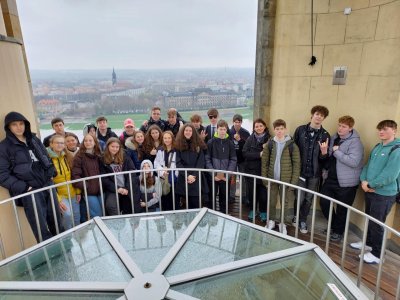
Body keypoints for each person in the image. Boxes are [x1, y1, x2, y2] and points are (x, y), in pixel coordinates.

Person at [0, 112, 63, 242]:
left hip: (47, 184)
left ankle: (64, 250)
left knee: (57, 222)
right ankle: (49, 256)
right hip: (30, 191)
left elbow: (46, 157)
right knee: (41, 229)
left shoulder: (33, 139)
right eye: (14, 124)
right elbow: (2, 174)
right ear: (8, 127)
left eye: (21, 123)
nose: (19, 127)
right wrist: (24, 188)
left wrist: (51, 174)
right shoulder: (4, 147)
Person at [351, 120, 400, 264]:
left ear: (394, 131)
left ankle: (378, 255)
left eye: (385, 129)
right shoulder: (378, 147)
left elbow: (390, 174)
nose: (381, 132)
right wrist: (363, 180)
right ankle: (368, 244)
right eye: (380, 129)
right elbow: (368, 165)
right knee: (370, 220)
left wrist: (371, 183)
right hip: (370, 190)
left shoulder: (396, 150)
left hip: (384, 194)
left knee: (377, 223)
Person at [320, 116, 364, 242]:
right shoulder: (334, 138)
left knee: (342, 209)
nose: (340, 128)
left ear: (350, 128)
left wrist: (337, 152)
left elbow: (354, 162)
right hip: (330, 179)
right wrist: (324, 152)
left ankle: (338, 232)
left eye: (343, 126)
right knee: (324, 202)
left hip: (347, 183)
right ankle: (334, 227)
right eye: (339, 125)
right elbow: (329, 156)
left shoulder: (356, 143)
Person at [293, 105, 330, 234]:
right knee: (300, 196)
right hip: (300, 171)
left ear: (323, 118)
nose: (319, 117)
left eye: (322, 115)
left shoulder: (325, 135)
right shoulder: (300, 130)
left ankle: (302, 220)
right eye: (317, 114)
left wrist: (324, 153)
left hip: (314, 174)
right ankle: (296, 216)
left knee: (309, 198)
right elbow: (294, 150)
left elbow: (324, 160)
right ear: (312, 115)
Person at [261, 119, 300, 234]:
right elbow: (265, 162)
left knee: (285, 203)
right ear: (274, 130)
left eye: (281, 129)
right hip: (272, 179)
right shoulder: (270, 144)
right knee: (271, 201)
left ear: (285, 129)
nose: (279, 131)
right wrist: (265, 179)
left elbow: (297, 164)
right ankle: (271, 221)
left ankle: (282, 223)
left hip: (286, 181)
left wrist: (293, 183)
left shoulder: (292, 145)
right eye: (277, 129)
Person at [47, 135, 81, 230]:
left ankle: (78, 238)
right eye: (57, 143)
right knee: (67, 215)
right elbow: (48, 181)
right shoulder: (47, 159)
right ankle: (68, 237)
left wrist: (78, 191)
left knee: (76, 215)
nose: (59, 145)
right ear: (51, 144)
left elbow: (74, 175)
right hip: (60, 195)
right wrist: (57, 199)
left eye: (62, 143)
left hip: (72, 192)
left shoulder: (67, 156)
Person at [100, 137, 140, 215]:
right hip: (113, 188)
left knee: (129, 206)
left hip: (126, 187)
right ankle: (117, 224)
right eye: (112, 146)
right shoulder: (102, 158)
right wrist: (117, 189)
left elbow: (131, 171)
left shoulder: (125, 155)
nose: (115, 149)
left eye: (117, 147)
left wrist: (127, 188)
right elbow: (104, 178)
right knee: (110, 205)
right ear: (108, 146)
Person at [205, 120, 237, 213]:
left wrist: (227, 174)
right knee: (212, 197)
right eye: (220, 129)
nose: (222, 131)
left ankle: (223, 214)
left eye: (224, 129)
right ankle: (212, 216)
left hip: (225, 177)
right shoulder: (211, 142)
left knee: (224, 198)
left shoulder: (230, 143)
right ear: (217, 130)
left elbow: (233, 159)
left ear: (226, 130)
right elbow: (207, 159)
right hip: (213, 177)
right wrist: (213, 174)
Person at [243, 118, 270, 222]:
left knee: (264, 194)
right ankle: (252, 210)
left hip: (264, 171)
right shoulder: (250, 139)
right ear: (254, 128)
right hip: (251, 170)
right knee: (252, 193)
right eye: (256, 126)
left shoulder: (270, 138)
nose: (259, 128)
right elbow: (244, 153)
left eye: (260, 126)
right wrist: (259, 154)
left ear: (264, 126)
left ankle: (263, 211)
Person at [175, 123, 208, 209]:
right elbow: (178, 163)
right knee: (184, 204)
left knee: (195, 203)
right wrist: (187, 175)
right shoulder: (178, 145)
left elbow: (201, 162)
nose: (188, 132)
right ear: (183, 132)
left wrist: (193, 176)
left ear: (193, 132)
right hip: (183, 177)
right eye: (186, 130)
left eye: (190, 131)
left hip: (195, 178)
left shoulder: (198, 144)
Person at [72, 134, 103, 218]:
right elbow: (75, 175)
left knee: (104, 212)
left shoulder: (99, 155)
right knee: (97, 215)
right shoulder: (79, 156)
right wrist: (86, 186)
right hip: (89, 192)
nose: (88, 142)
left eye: (90, 140)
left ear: (95, 142)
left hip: (101, 190)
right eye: (85, 140)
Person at [229, 114, 251, 204]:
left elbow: (247, 147)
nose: (237, 124)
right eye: (236, 122)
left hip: (242, 160)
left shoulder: (245, 133)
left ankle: (244, 196)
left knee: (243, 179)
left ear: (241, 122)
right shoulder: (229, 132)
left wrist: (240, 140)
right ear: (233, 122)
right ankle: (231, 196)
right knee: (232, 179)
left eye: (239, 122)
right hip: (232, 159)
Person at [154, 131, 178, 211]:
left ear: (172, 139)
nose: (167, 140)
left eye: (169, 138)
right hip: (163, 177)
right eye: (165, 138)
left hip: (173, 178)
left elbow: (178, 163)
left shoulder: (176, 150)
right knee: (164, 197)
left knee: (173, 198)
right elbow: (156, 163)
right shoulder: (160, 150)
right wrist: (162, 171)